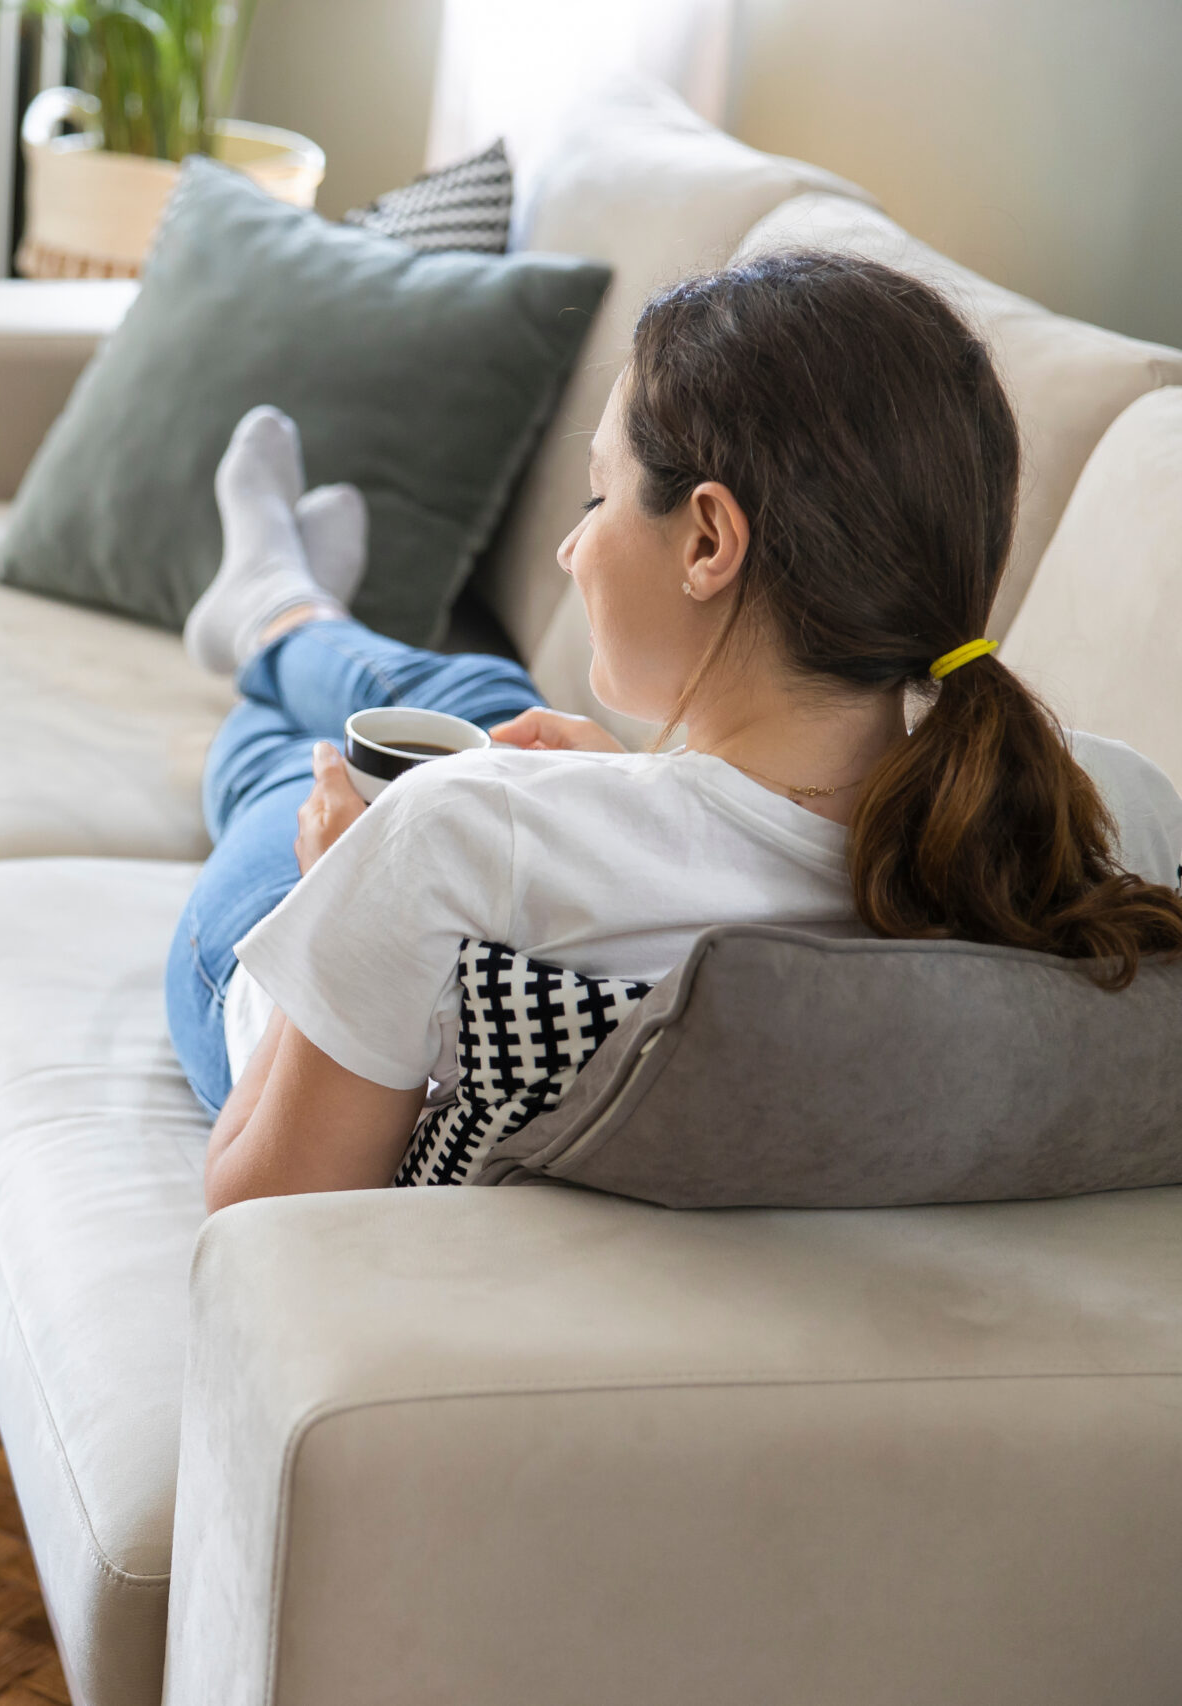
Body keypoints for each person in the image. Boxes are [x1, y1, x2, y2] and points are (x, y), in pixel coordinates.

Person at [169, 249, 1182, 1212]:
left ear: (707, 539)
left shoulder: (451, 835)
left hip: (291, 1012)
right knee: (482, 695)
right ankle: (285, 608)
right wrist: (625, 789)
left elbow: (261, 1208)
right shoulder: (1115, 807)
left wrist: (345, 891)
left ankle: (276, 613)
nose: (571, 546)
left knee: (283, 761)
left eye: (599, 495)